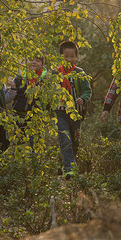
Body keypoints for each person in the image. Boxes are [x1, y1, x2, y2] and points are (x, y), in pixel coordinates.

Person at [54, 41, 91, 178]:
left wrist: (83, 98)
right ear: (61, 57)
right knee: (65, 139)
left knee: (75, 141)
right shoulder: (56, 73)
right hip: (60, 112)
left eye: (72, 56)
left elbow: (87, 90)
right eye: (66, 56)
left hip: (76, 113)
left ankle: (67, 164)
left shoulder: (80, 73)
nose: (69, 59)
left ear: (76, 57)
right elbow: (49, 90)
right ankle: (70, 169)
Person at [7, 55, 48, 146]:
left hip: (37, 116)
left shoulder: (45, 80)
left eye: (37, 61)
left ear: (42, 64)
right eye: (31, 59)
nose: (34, 62)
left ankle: (36, 159)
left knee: (36, 142)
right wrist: (11, 88)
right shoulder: (19, 78)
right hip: (19, 115)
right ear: (25, 62)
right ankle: (19, 159)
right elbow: (13, 94)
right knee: (18, 142)